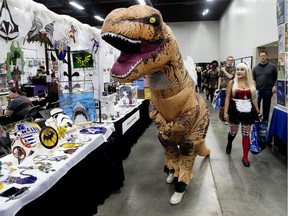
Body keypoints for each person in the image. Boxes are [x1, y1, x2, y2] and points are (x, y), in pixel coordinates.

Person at [223, 63, 262, 167]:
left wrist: (258, 111)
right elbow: (227, 98)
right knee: (233, 132)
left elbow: (254, 99)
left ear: (247, 72)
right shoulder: (232, 82)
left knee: (246, 134)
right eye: (238, 69)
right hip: (235, 109)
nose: (239, 71)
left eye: (242, 70)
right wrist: (225, 112)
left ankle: (245, 156)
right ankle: (229, 143)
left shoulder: (252, 82)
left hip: (248, 110)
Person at [252, 50, 277, 122]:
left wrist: (274, 86)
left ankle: (265, 122)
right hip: (258, 91)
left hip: (268, 90)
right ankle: (257, 120)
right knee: (256, 107)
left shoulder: (272, 67)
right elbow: (253, 80)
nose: (262, 57)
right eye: (261, 56)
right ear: (259, 57)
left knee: (266, 108)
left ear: (266, 56)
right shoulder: (255, 68)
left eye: (264, 56)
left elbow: (276, 78)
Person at [217, 56, 236, 124]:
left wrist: (224, 70)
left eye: (231, 60)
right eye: (229, 60)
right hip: (223, 88)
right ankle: (223, 117)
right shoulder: (222, 68)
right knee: (222, 104)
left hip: (231, 88)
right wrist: (218, 87)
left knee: (230, 103)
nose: (230, 61)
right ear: (226, 61)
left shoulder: (234, 68)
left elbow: (231, 77)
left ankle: (230, 117)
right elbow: (219, 78)